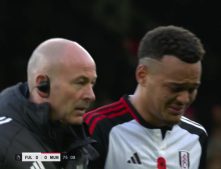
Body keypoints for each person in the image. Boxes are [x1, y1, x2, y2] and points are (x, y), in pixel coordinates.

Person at [84, 25, 208, 169]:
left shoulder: (196, 137)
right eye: (175, 88)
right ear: (142, 75)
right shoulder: (97, 127)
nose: (184, 99)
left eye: (192, 89)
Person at [0, 38, 99, 169]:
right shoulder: (5, 144)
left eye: (92, 84)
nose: (91, 96)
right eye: (80, 82)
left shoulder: (72, 138)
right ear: (42, 85)